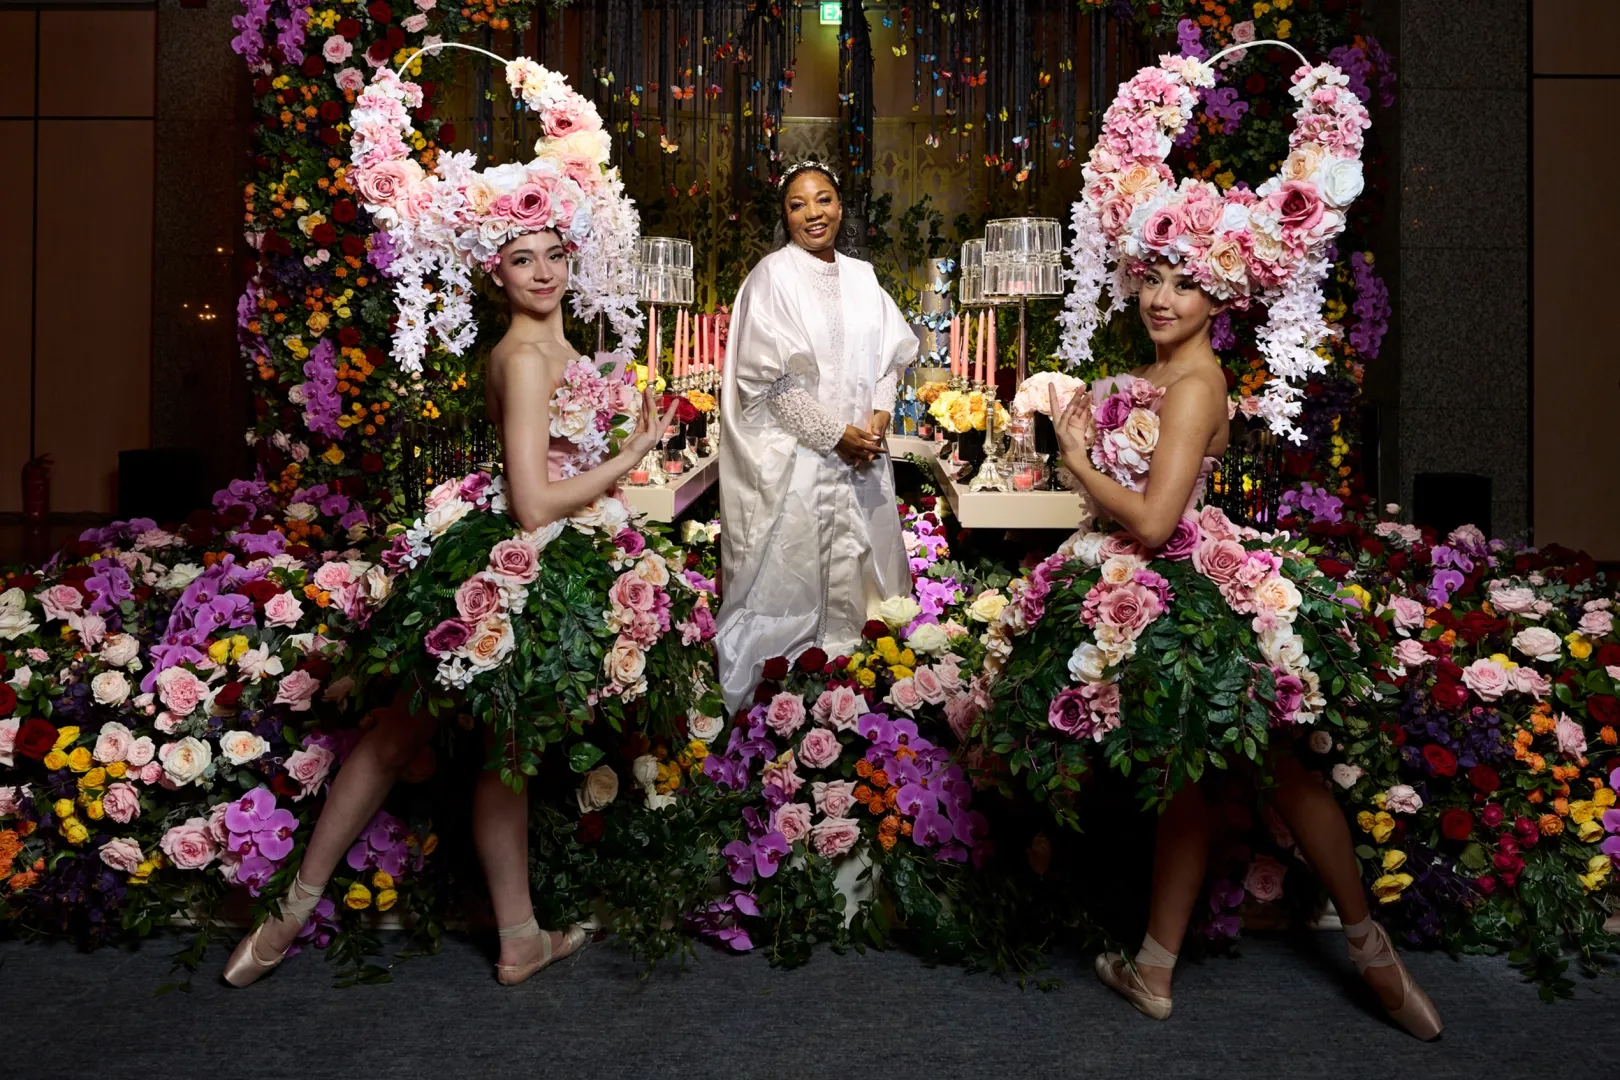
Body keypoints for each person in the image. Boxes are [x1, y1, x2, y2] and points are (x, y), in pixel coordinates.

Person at [224, 55, 675, 988]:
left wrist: (615, 451)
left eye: (553, 253)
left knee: (495, 750)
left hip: (551, 550)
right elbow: (534, 501)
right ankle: (290, 911)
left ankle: (516, 936)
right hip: (524, 551)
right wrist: (631, 456)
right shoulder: (525, 357)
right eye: (522, 258)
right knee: (402, 734)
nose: (543, 271)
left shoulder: (557, 342)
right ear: (492, 270)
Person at [715, 161, 918, 712]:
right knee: (793, 581)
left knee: (866, 581)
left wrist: (878, 417)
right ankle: (784, 708)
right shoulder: (772, 277)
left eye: (823, 199)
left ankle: (865, 703)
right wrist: (835, 435)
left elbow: (891, 358)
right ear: (784, 215)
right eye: (798, 204)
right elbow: (767, 381)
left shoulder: (863, 277)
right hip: (801, 462)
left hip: (863, 458)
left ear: (841, 206)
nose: (813, 213)